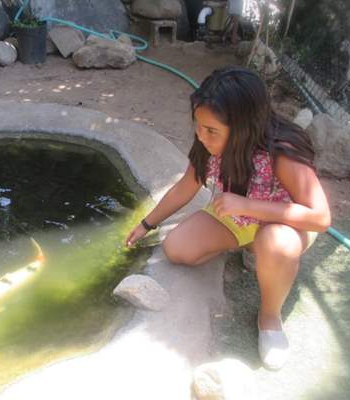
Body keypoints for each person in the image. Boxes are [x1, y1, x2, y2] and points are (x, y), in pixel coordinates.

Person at [125, 66, 331, 370]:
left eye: (211, 131)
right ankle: (256, 252)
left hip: (285, 223)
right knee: (178, 249)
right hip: (237, 215)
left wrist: (247, 206)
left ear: (244, 128)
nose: (200, 135)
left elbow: (320, 217)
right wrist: (147, 224)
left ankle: (269, 318)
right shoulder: (207, 141)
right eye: (198, 125)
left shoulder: (281, 151)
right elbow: (186, 185)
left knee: (276, 244)